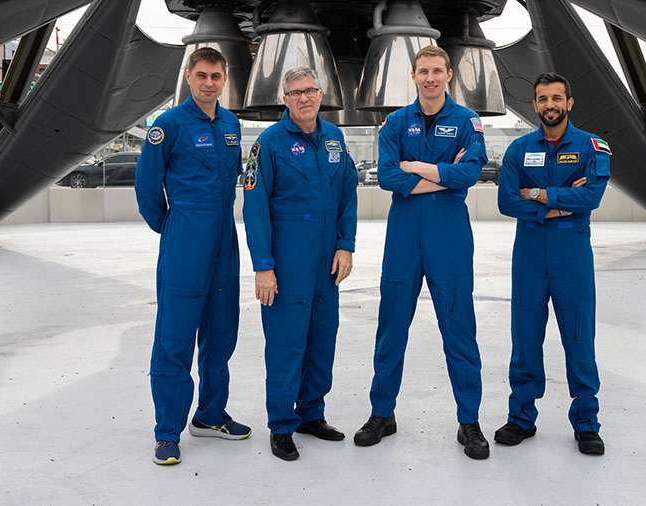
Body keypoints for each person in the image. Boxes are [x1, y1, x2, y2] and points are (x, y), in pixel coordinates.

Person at [353, 45, 490, 460]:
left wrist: (420, 169)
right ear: (413, 76)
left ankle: (469, 421)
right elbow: (388, 178)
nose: (430, 78)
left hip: (448, 232)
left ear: (449, 74)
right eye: (423, 71)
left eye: (437, 71)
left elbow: (471, 173)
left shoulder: (467, 121)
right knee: (391, 325)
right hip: (404, 234)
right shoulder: (395, 122)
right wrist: (445, 176)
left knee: (459, 328)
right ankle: (382, 413)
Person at [135, 47, 251, 466]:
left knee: (221, 333)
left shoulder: (232, 123)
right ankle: (167, 430)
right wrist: (171, 226)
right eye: (201, 75)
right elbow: (147, 187)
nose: (208, 83)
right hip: (185, 238)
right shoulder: (167, 125)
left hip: (225, 237)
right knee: (175, 337)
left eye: (216, 76)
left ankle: (210, 415)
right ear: (188, 76)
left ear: (224, 79)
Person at [243, 67, 358, 461]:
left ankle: (311, 413)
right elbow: (255, 208)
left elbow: (347, 195)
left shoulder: (335, 139)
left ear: (320, 94)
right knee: (286, 345)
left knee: (323, 340)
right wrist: (263, 265)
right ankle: (281, 426)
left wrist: (346, 245)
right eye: (295, 93)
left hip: (328, 262)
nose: (303, 98)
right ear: (285, 100)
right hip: (288, 263)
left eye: (309, 91)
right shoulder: (269, 144)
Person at [495, 72, 611, 455]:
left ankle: (586, 423)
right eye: (543, 99)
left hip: (572, 254)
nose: (550, 105)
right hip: (528, 252)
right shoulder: (518, 150)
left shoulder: (593, 147)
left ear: (569, 103)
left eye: (557, 98)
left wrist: (539, 193)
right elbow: (507, 201)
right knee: (525, 336)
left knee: (579, 336)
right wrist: (558, 205)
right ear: (535, 105)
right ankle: (521, 418)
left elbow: (592, 195)